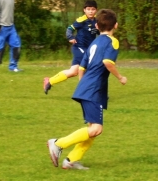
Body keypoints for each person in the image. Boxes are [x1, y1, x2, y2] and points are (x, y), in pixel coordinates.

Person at [47, 9, 127, 169]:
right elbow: (108, 62)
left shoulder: (94, 43)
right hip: (94, 90)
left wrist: (84, 85)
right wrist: (120, 77)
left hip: (87, 88)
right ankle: (58, 143)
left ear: (97, 25)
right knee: (96, 129)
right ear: (116, 25)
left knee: (93, 129)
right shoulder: (113, 41)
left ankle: (71, 161)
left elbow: (82, 67)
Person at [43, 0, 99, 94]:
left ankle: (49, 81)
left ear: (96, 10)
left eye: (93, 9)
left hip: (88, 49)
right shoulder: (81, 20)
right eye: (88, 9)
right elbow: (69, 29)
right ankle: (91, 92)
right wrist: (70, 37)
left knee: (73, 72)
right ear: (84, 10)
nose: (90, 11)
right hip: (79, 47)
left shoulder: (97, 20)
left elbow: (99, 31)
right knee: (90, 68)